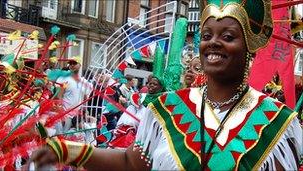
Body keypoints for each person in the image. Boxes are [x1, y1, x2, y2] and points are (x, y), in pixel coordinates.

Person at [30, 1, 302, 170]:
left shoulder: (277, 122)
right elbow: (131, 163)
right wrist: (66, 150)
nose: (213, 43)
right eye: (207, 35)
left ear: (250, 49)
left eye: (228, 36)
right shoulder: (168, 108)